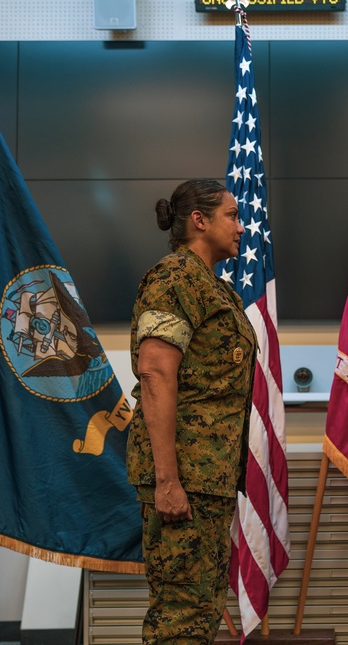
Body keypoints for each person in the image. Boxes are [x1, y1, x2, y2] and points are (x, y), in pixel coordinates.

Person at [125, 178, 256, 644]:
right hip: (185, 475)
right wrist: (168, 481)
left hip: (207, 477)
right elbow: (157, 374)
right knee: (182, 616)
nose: (242, 226)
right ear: (199, 221)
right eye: (232, 215)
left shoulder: (210, 286)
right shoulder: (175, 278)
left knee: (198, 613)